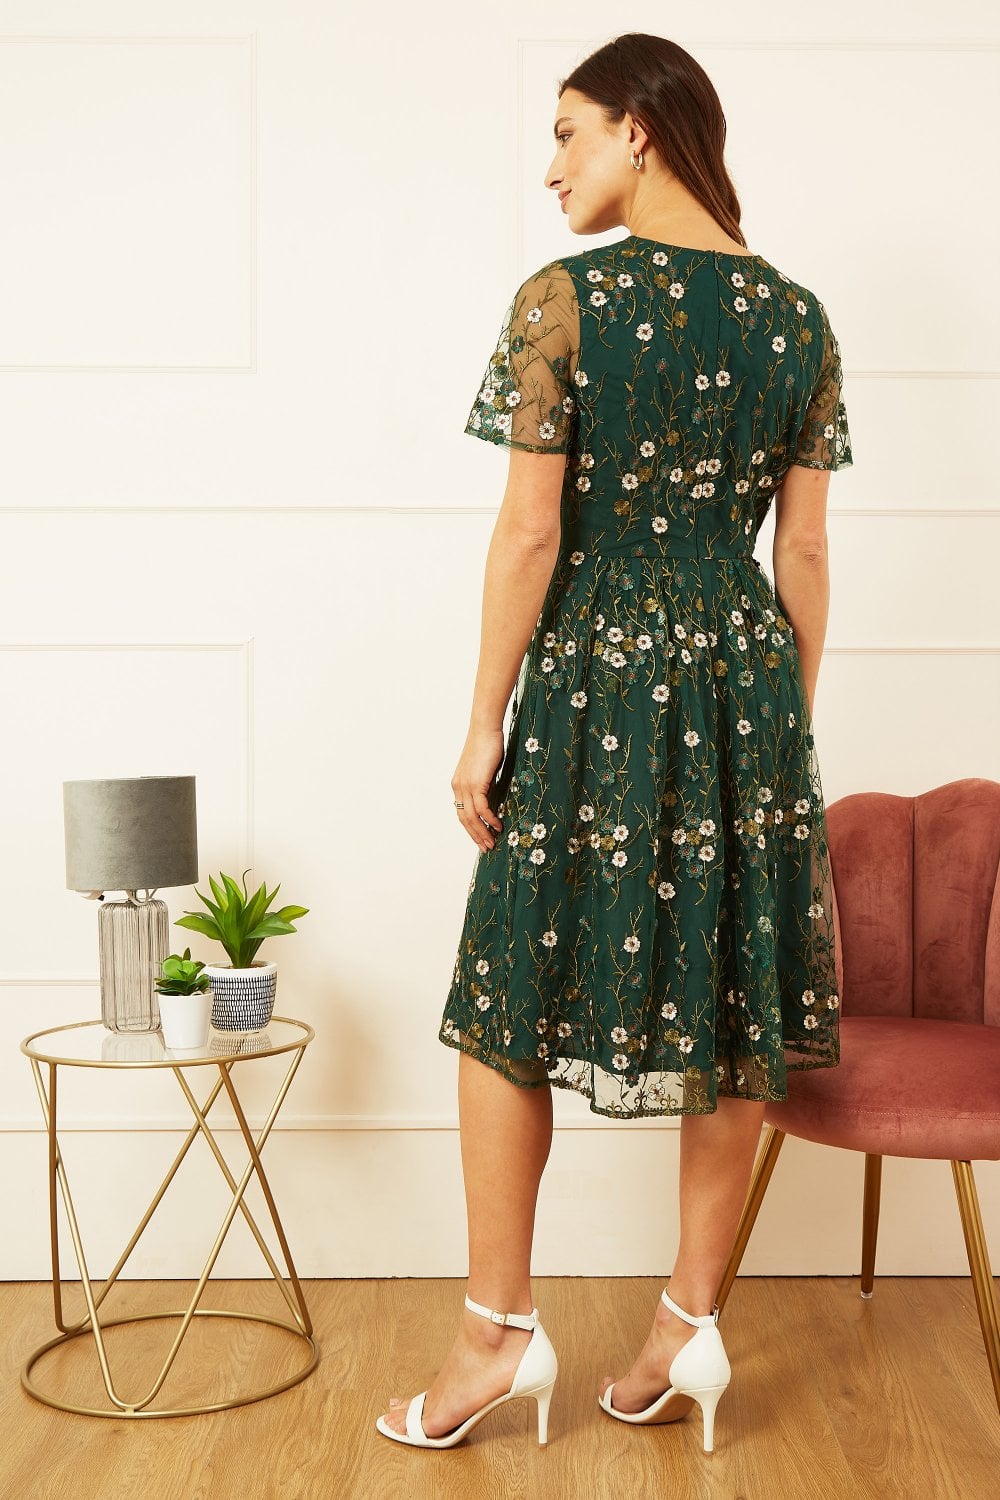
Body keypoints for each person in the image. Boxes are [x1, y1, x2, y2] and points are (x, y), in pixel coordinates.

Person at [377, 30, 853, 1450]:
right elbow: (804, 555)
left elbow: (531, 532)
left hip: (596, 674)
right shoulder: (799, 320)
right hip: (749, 686)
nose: (552, 165)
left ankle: (494, 1334)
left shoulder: (566, 304)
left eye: (569, 130)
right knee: (732, 996)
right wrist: (781, 730)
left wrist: (482, 722)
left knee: (508, 989)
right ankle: (687, 1325)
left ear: (641, 130)